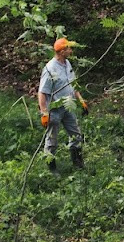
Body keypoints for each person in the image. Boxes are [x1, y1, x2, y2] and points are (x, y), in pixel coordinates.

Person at [38, 37, 89, 171]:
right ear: (61, 52)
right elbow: (42, 92)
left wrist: (81, 101)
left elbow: (73, 85)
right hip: (54, 109)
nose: (71, 51)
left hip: (68, 106)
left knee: (76, 135)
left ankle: (77, 163)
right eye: (68, 48)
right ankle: (51, 169)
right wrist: (44, 113)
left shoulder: (67, 64)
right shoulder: (50, 69)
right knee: (52, 140)